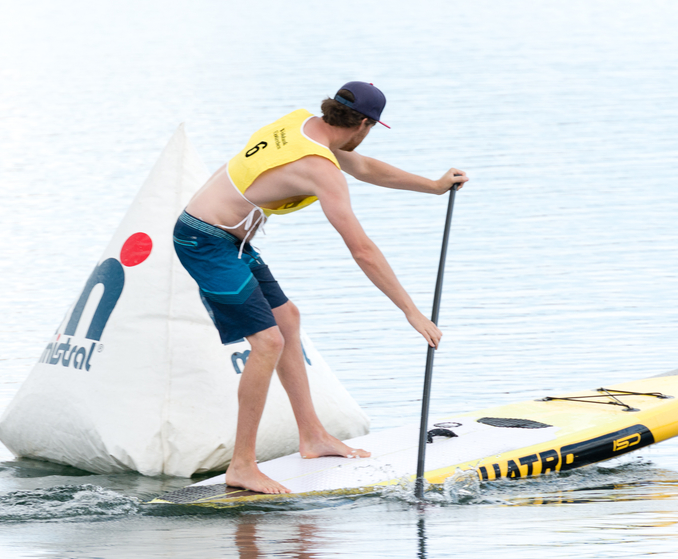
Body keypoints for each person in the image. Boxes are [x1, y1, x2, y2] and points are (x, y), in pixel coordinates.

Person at [172, 82, 468, 494]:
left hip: (229, 239)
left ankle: (312, 436)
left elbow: (363, 166)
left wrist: (432, 186)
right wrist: (411, 312)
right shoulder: (319, 168)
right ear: (364, 124)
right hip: (204, 241)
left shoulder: (301, 123)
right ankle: (242, 465)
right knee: (267, 342)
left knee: (287, 319)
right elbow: (362, 249)